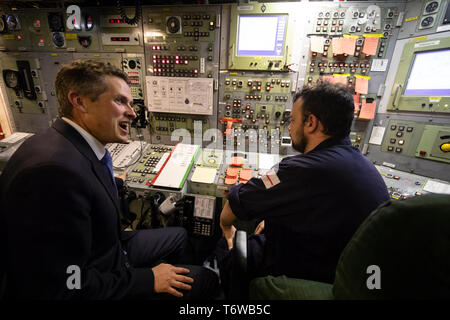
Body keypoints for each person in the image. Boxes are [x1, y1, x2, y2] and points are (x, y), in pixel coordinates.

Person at [0, 60, 218, 299]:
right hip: (97, 277)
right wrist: (149, 279)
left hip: (110, 247)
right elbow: (66, 285)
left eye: (130, 103)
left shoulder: (66, 143)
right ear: (79, 101)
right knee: (206, 280)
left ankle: (176, 280)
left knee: (179, 236)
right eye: (119, 101)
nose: (133, 113)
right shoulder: (53, 173)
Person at [217, 81, 390, 297]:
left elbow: (237, 201)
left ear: (311, 123)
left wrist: (226, 228)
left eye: (293, 120)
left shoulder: (294, 169)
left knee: (230, 250)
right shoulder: (361, 163)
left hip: (314, 276)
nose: (289, 127)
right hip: (352, 276)